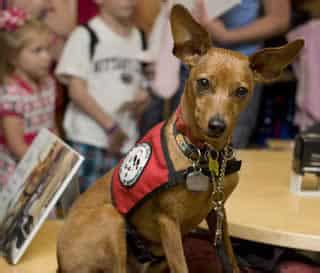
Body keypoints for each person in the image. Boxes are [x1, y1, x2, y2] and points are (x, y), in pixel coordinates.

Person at [56, 0, 149, 193]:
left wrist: (142, 100)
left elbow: (141, 85)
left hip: (125, 142)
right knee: (84, 207)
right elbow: (76, 90)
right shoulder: (85, 35)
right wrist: (110, 127)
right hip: (89, 139)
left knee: (116, 208)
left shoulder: (139, 37)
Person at [193, 0, 291, 148]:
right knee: (182, 146)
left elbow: (280, 18)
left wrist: (226, 36)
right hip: (192, 68)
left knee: (230, 148)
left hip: (240, 69)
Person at [0, 8, 57, 189]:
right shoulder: (11, 94)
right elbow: (16, 145)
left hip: (43, 159)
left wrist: (59, 154)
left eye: (48, 49)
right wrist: (44, 166)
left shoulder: (48, 83)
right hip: (19, 168)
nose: (46, 57)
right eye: (37, 51)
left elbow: (51, 124)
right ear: (13, 57)